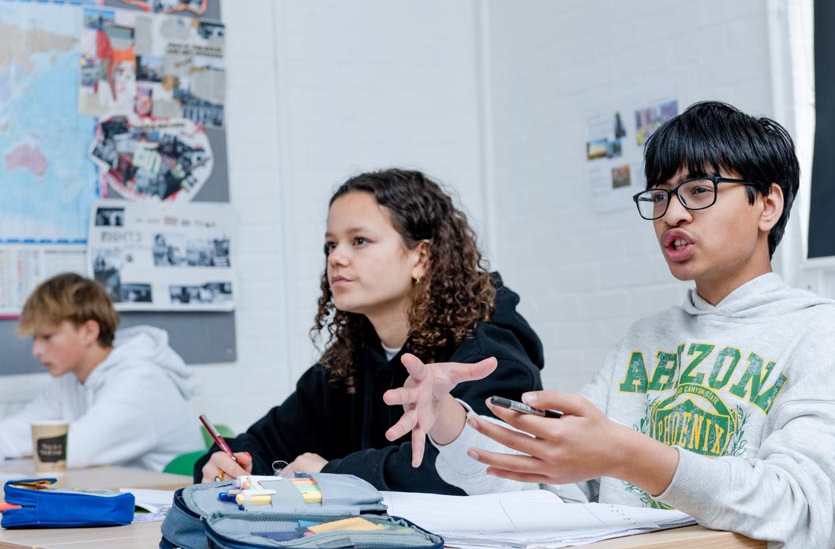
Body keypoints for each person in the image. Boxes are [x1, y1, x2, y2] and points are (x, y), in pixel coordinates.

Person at [384, 102, 835, 549]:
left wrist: (632, 457)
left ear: (767, 205)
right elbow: (558, 495)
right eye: (661, 196)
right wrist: (452, 422)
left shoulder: (822, 330)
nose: (673, 214)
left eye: (698, 191)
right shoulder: (645, 339)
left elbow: (806, 518)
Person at [195, 168, 544, 493]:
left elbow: (475, 467)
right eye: (331, 244)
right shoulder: (351, 361)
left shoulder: (486, 350)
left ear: (421, 257)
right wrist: (228, 464)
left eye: (359, 241)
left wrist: (333, 476)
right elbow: (264, 441)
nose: (336, 258)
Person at [0, 272, 203, 471]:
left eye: (47, 337)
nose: (36, 350)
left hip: (166, 500)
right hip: (119, 495)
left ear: (89, 332)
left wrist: (23, 445)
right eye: (34, 339)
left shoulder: (139, 379)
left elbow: (75, 451)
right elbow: (15, 432)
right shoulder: (70, 379)